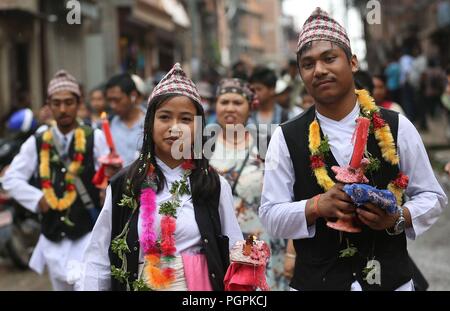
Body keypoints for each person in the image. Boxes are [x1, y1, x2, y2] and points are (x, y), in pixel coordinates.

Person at [259, 7, 447, 291]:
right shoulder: (286, 137)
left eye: (329, 58)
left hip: (390, 282)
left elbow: (432, 196)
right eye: (308, 64)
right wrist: (315, 206)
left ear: (353, 62)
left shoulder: (396, 126)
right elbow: (271, 216)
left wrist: (396, 218)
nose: (319, 70)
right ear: (301, 75)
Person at [79, 63, 242, 291]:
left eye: (185, 119)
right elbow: (98, 257)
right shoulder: (125, 184)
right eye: (165, 117)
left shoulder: (213, 185)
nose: (174, 128)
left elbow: (235, 249)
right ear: (150, 124)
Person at [2, 70, 113, 290]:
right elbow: (11, 178)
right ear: (49, 105)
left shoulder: (94, 137)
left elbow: (109, 177)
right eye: (57, 103)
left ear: (78, 103)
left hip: (87, 236)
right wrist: (37, 199)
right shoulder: (38, 140)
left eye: (69, 102)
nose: (63, 109)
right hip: (53, 238)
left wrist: (106, 184)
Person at [209, 78, 290, 290]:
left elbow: (288, 194)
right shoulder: (202, 146)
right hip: (218, 245)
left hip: (260, 244)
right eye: (224, 101)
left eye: (237, 102)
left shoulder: (266, 144)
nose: (230, 108)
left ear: (250, 107)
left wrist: (292, 250)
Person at [105, 73, 146, 166]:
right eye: (109, 100)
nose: (113, 105)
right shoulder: (108, 125)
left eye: (117, 100)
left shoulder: (151, 122)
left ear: (133, 96)